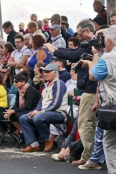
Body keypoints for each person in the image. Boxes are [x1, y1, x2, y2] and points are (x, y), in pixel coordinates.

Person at [45, 19, 98, 166]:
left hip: (91, 89)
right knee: (84, 124)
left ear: (88, 31)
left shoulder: (93, 46)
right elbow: (75, 53)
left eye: (80, 34)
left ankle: (88, 157)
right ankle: (85, 155)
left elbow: (75, 54)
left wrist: (54, 50)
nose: (79, 37)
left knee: (85, 125)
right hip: (88, 89)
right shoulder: (90, 46)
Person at [80, 25, 116, 174]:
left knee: (110, 143)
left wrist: (95, 56)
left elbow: (93, 76)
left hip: (112, 106)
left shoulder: (107, 58)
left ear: (108, 41)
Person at [19, 64, 68, 152]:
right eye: (44, 72)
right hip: (45, 113)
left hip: (58, 113)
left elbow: (56, 103)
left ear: (55, 73)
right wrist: (36, 110)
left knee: (38, 118)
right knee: (23, 118)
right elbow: (41, 102)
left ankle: (48, 138)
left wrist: (41, 112)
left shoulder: (59, 84)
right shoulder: (46, 85)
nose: (45, 74)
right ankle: (34, 144)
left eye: (48, 72)